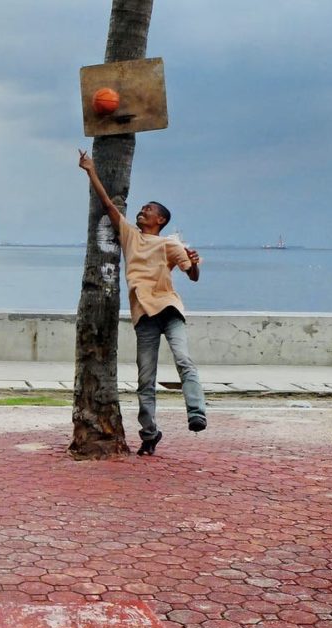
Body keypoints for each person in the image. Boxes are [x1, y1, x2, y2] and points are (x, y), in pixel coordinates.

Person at [78, 150, 206, 456]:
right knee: (145, 379)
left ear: (160, 220)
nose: (142, 211)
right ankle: (150, 433)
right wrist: (90, 170)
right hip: (144, 316)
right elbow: (109, 205)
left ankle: (197, 412)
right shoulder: (131, 238)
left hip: (169, 310)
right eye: (142, 208)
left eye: (148, 209)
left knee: (184, 360)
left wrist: (195, 263)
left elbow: (193, 276)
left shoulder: (170, 244)